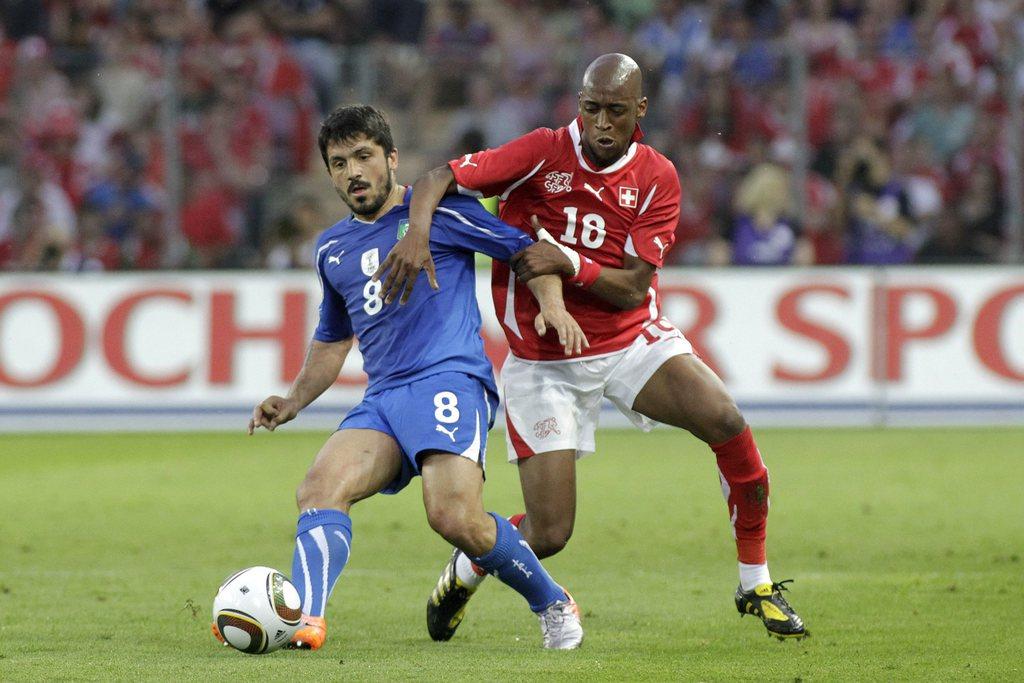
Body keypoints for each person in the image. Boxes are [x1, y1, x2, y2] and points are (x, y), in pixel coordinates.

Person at [376, 54, 808, 641]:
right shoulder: (541, 153)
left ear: (641, 112)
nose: (600, 123)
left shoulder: (657, 176)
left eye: (615, 111)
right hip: (543, 363)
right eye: (590, 109)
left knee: (725, 418)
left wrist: (569, 262)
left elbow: (632, 288)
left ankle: (754, 581)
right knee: (551, 534)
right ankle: (470, 565)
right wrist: (418, 234)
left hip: (630, 342)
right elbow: (434, 180)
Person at [215, 105, 587, 652]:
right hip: (385, 397)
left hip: (450, 380)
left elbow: (528, 253)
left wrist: (553, 305)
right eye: (339, 163)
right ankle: (308, 621)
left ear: (391, 158)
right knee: (318, 490)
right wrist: (292, 400)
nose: (353, 173)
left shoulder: (440, 211)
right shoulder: (331, 249)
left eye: (364, 157)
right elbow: (333, 338)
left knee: (454, 516)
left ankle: (552, 601)